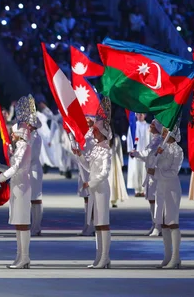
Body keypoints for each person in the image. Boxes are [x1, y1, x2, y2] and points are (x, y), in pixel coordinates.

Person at [76, 107, 112, 269]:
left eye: (96, 130)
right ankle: (99, 257)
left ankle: (105, 257)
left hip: (101, 189)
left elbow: (104, 173)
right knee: (97, 223)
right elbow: (89, 167)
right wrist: (79, 155)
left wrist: (90, 183)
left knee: (103, 223)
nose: (94, 132)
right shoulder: (97, 148)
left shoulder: (106, 150)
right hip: (95, 189)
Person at [0, 122, 32, 269]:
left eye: (14, 133)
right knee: (18, 222)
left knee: (22, 222)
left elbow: (16, 167)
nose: (11, 135)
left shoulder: (24, 147)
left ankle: (25, 257)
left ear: (20, 134)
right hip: (17, 186)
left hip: (22, 186)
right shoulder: (19, 148)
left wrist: (0, 177)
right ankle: (20, 255)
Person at [150, 127, 184, 269]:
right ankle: (167, 256)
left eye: (165, 132)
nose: (162, 134)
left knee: (172, 222)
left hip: (172, 189)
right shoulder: (161, 147)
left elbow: (173, 172)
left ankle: (176, 257)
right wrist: (154, 155)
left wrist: (156, 173)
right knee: (163, 223)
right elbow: (150, 162)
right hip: (161, 189)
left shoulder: (178, 150)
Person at [131, 119, 164, 236]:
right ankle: (155, 223)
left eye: (153, 124)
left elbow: (147, 153)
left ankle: (158, 225)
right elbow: (147, 156)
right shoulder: (154, 140)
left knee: (155, 200)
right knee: (151, 200)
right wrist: (136, 154)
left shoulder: (158, 140)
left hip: (156, 174)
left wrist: (136, 153)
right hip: (150, 174)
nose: (151, 125)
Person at [127, 113, 150, 197]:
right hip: (136, 152)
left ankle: (144, 189)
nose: (140, 116)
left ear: (145, 115)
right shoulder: (133, 126)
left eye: (142, 114)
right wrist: (130, 150)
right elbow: (129, 138)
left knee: (144, 170)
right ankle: (137, 190)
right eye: (138, 114)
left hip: (145, 152)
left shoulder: (148, 127)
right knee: (136, 170)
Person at [28, 114, 44, 236]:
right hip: (31, 168)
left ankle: (37, 226)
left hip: (34, 169)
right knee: (33, 199)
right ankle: (34, 225)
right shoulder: (31, 136)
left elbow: (32, 155)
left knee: (36, 199)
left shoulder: (35, 137)